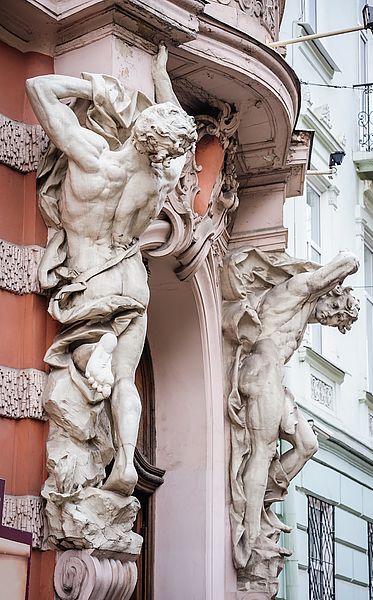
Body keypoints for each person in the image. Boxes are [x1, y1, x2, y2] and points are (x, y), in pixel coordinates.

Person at [26, 42, 197, 496]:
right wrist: (162, 80)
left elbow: (38, 87)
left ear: (138, 128)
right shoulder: (160, 180)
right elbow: (180, 139)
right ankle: (125, 460)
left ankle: (90, 351)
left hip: (93, 276)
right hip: (133, 279)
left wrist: (98, 89)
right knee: (125, 378)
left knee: (81, 359)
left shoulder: (93, 156)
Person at [227, 249, 360, 564]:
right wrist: (350, 264)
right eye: (336, 312)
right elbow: (339, 264)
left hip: (274, 378)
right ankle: (250, 534)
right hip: (261, 371)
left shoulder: (302, 314)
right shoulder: (299, 287)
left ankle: (260, 503)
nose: (331, 319)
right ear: (332, 294)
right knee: (261, 452)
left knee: (307, 444)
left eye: (338, 320)